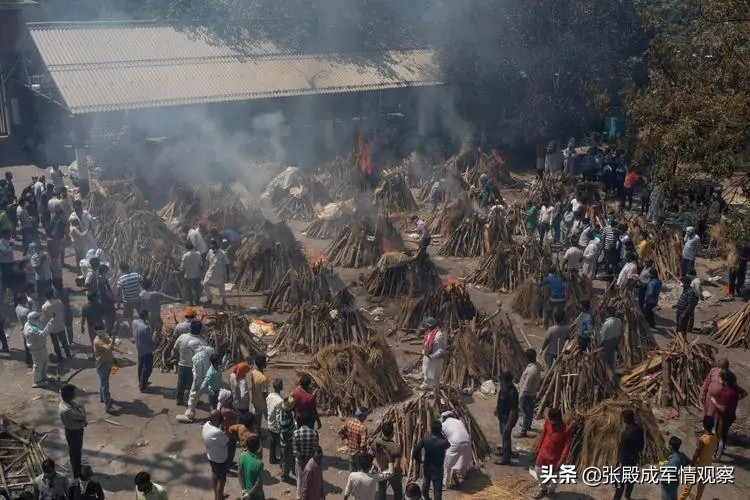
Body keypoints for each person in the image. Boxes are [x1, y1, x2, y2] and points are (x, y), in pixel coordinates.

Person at [532, 408, 571, 499]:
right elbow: (543, 434)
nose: (551, 422)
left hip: (555, 457)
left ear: (558, 419)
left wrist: (561, 460)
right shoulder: (548, 423)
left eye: (553, 420)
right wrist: (539, 447)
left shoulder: (566, 429)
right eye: (550, 420)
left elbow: (567, 446)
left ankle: (551, 491)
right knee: (538, 470)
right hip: (543, 453)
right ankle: (543, 488)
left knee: (554, 475)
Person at [678, 416, 717, 500]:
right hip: (707, 465)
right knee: (701, 486)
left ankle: (681, 499)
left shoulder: (702, 440)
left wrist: (691, 465)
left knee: (688, 486)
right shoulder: (715, 438)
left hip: (698, 465)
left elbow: (696, 454)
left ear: (703, 425)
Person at [413, 420, 450, 500]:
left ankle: (425, 497)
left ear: (431, 429)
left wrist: (419, 460)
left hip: (427, 466)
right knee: (437, 489)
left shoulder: (425, 439)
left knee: (426, 483)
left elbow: (416, 450)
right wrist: (441, 434)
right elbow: (448, 444)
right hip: (438, 468)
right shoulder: (442, 442)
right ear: (440, 430)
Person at [612, 409, 644, 500]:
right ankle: (628, 495)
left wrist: (618, 462)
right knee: (631, 480)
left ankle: (616, 498)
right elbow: (641, 445)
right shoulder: (639, 429)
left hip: (624, 462)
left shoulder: (625, 434)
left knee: (619, 484)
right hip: (634, 460)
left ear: (625, 419)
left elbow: (621, 450)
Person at [712, 369, 744, 459]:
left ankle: (718, 456)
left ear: (725, 380)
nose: (719, 379)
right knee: (723, 434)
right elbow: (744, 394)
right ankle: (719, 450)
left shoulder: (727, 393)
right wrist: (735, 400)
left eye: (720, 378)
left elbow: (722, 409)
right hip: (730, 416)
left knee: (720, 436)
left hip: (723, 418)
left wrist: (714, 402)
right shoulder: (735, 389)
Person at [59, 384, 87, 479]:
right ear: (68, 396)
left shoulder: (66, 403)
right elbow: (82, 415)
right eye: (73, 394)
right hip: (74, 432)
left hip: (73, 430)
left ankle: (77, 467)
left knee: (75, 451)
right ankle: (77, 473)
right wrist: (82, 410)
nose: (74, 396)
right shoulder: (67, 410)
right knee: (76, 452)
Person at [439, 411, 471, 490]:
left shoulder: (443, 425)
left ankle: (446, 483)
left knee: (448, 464)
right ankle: (464, 475)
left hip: (455, 444)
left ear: (444, 418)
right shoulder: (459, 421)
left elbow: (442, 439)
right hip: (467, 441)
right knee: (464, 458)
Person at [371, 421, 403, 500]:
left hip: (381, 471)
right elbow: (396, 466)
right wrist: (388, 472)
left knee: (382, 491)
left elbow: (373, 458)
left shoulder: (375, 443)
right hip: (393, 474)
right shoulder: (396, 447)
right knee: (398, 491)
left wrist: (379, 468)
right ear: (393, 433)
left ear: (382, 432)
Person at [203, 410, 230, 500]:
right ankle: (219, 497)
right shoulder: (217, 432)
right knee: (221, 482)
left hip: (211, 456)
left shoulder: (206, 425)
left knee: (214, 476)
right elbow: (226, 442)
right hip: (220, 460)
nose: (222, 420)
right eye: (221, 419)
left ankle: (218, 496)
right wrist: (226, 430)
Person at [24, 311, 55, 387]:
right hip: (37, 349)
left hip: (40, 347)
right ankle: (37, 381)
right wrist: (50, 323)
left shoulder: (29, 324)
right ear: (32, 319)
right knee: (38, 365)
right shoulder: (32, 330)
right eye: (36, 319)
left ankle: (43, 376)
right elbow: (43, 335)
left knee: (45, 362)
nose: (38, 320)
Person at [293, 412, 320, 500]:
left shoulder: (296, 433)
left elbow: (295, 450)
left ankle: (299, 495)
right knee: (309, 478)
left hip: (299, 459)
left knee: (299, 478)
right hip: (310, 459)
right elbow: (315, 448)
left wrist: (300, 456)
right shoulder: (314, 433)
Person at [494, 371, 519, 465]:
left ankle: (506, 458)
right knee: (504, 435)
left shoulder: (513, 392)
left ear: (508, 381)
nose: (501, 383)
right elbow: (500, 399)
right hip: (502, 416)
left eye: (502, 381)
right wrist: (497, 408)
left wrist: (509, 424)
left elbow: (513, 410)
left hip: (508, 418)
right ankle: (505, 450)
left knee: (506, 436)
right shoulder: (503, 388)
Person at [41, 288, 71, 361]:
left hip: (52, 328)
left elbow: (44, 319)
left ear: (45, 296)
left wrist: (44, 328)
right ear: (52, 294)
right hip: (60, 325)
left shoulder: (44, 307)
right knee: (64, 342)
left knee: (56, 344)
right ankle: (68, 355)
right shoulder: (59, 302)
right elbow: (63, 311)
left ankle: (60, 357)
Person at [517, 349, 541, 438]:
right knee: (529, 411)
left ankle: (524, 431)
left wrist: (521, 395)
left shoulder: (531, 370)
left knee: (525, 413)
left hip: (526, 394)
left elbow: (527, 385)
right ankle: (527, 425)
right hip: (532, 392)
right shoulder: (537, 365)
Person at [92, 327, 116, 414]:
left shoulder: (103, 337)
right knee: (105, 385)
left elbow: (109, 343)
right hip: (103, 364)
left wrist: (113, 341)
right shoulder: (97, 341)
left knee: (103, 382)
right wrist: (111, 345)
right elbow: (108, 347)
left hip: (107, 362)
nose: (103, 330)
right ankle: (108, 406)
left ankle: (103, 398)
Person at [420, 317, 446, 394]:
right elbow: (426, 343)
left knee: (435, 375)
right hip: (427, 356)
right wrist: (424, 351)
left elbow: (440, 350)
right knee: (426, 372)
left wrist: (432, 356)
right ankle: (425, 384)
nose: (426, 327)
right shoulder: (429, 332)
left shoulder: (439, 336)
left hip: (435, 359)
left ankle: (435, 389)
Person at [132, 310, 154, 392]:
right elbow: (149, 340)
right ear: (145, 316)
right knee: (147, 368)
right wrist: (153, 345)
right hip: (146, 350)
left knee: (140, 366)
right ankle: (143, 386)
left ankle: (141, 381)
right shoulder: (146, 327)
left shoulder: (134, 322)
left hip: (139, 347)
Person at [203, 239, 230, 306]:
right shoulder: (210, 251)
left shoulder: (222, 253)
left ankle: (224, 302)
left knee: (221, 287)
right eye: (212, 247)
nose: (213, 249)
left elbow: (227, 264)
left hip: (220, 272)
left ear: (217, 246)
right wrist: (205, 270)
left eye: (214, 247)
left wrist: (227, 275)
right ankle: (209, 299)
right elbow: (207, 261)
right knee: (205, 283)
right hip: (210, 271)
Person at [239, 435, 266, 499]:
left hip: (246, 490)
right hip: (256, 493)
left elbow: (239, 472)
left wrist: (243, 489)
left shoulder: (242, 455)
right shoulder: (259, 463)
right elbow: (259, 482)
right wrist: (249, 494)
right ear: (258, 447)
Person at [116, 262, 142, 326]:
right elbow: (143, 284)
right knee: (140, 316)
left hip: (127, 301)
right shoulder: (136, 275)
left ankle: (132, 329)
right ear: (128, 267)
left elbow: (118, 293)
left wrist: (118, 304)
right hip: (137, 299)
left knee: (129, 317)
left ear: (121, 269)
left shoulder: (121, 279)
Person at [248, 354, 270, 433]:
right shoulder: (263, 378)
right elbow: (264, 393)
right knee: (268, 417)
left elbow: (253, 385)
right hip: (263, 402)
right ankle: (271, 432)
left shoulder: (253, 372)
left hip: (255, 399)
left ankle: (258, 431)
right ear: (263, 364)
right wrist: (268, 402)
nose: (266, 363)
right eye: (265, 362)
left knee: (258, 417)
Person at [279, 396, 297, 482]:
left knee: (287, 458)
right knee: (287, 460)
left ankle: (291, 471)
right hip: (287, 442)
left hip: (285, 440)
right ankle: (284, 476)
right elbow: (285, 431)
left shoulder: (281, 411)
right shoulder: (286, 419)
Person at [15, 292, 33, 367]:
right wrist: (31, 307)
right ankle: (33, 361)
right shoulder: (26, 311)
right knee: (32, 346)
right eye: (25, 298)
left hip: (23, 329)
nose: (26, 299)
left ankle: (28, 360)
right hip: (29, 330)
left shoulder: (17, 308)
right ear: (22, 300)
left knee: (26, 346)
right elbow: (32, 318)